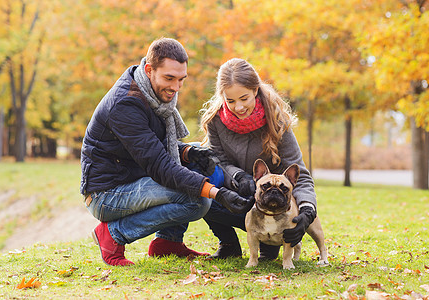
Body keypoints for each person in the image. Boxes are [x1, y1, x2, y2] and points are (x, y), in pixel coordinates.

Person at [80, 38, 254, 266]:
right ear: (149, 70)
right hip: (107, 194)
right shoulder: (126, 105)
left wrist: (190, 153)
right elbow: (160, 167)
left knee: (198, 161)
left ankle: (167, 243)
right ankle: (113, 235)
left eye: (181, 79)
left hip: (134, 179)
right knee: (198, 202)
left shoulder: (153, 94)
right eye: (169, 78)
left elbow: (158, 147)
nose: (176, 87)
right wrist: (217, 193)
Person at [200, 58, 318, 260]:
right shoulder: (215, 121)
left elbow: (299, 172)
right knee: (198, 170)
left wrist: (307, 211)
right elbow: (218, 161)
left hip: (273, 206)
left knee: (270, 253)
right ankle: (228, 243)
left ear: (255, 90)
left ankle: (269, 244)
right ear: (222, 97)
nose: (238, 107)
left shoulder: (277, 121)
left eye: (244, 98)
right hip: (234, 199)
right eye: (230, 101)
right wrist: (240, 177)